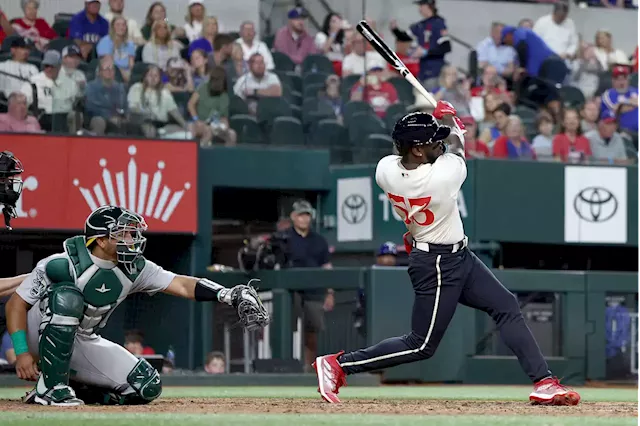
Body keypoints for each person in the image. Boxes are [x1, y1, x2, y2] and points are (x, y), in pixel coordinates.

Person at [312, 101, 581, 406]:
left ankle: (544, 381)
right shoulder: (441, 177)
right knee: (421, 344)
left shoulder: (385, 168)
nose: (438, 145)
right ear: (416, 150)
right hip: (437, 263)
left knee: (506, 305)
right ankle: (338, 365)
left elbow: (442, 149)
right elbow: (456, 148)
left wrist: (441, 126)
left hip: (456, 255)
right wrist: (453, 121)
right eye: (432, 142)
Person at [5, 205, 268, 406]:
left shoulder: (134, 268)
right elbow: (16, 305)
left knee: (146, 386)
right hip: (36, 333)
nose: (132, 239)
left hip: (81, 338)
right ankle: (49, 391)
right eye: (123, 233)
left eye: (132, 233)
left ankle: (72, 386)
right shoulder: (62, 263)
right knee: (67, 297)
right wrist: (22, 353)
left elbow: (182, 284)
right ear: (101, 240)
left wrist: (227, 294)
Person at [285, 200, 334, 371]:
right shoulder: (285, 238)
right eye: (300, 215)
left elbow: (327, 267)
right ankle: (287, 366)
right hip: (290, 292)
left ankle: (309, 368)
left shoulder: (319, 240)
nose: (304, 219)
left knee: (312, 332)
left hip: (314, 292)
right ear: (293, 217)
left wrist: (330, 293)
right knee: (287, 329)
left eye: (307, 215)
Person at [391, 0, 451, 88]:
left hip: (435, 71)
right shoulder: (420, 25)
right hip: (422, 71)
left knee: (432, 97)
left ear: (428, 6)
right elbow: (404, 37)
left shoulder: (439, 23)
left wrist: (426, 52)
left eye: (421, 5)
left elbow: (446, 47)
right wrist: (395, 29)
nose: (419, 9)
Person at [21, 50, 81, 133]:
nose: (49, 69)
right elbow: (22, 102)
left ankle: (75, 143)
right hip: (43, 116)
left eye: (52, 66)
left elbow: (76, 102)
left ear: (59, 67)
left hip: (64, 116)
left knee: (75, 116)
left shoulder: (69, 82)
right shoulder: (34, 81)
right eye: (46, 66)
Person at [127, 65, 188, 138]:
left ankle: (160, 133)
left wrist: (185, 125)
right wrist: (146, 114)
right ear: (145, 77)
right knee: (149, 130)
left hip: (161, 123)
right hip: (144, 121)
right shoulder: (137, 88)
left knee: (182, 131)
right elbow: (133, 108)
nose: (153, 78)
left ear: (159, 78)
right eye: (150, 75)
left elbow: (174, 111)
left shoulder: (164, 92)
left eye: (156, 76)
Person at [188, 66, 237, 146]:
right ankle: (201, 155)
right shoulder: (203, 88)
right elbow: (190, 104)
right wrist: (196, 120)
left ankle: (227, 157)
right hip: (199, 123)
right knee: (208, 131)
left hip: (215, 125)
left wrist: (225, 126)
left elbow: (224, 117)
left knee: (232, 134)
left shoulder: (224, 96)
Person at [84, 56, 128, 135]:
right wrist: (109, 117)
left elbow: (125, 106)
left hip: (117, 118)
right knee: (99, 122)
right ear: (100, 72)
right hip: (98, 117)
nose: (109, 71)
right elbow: (91, 107)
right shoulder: (91, 86)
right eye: (106, 69)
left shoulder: (120, 87)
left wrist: (125, 116)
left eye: (111, 69)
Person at [96, 16, 136, 82]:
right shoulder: (105, 41)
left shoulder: (130, 44)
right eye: (118, 25)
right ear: (112, 27)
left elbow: (131, 65)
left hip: (127, 73)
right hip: (110, 71)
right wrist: (124, 75)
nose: (121, 27)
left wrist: (132, 76)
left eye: (123, 25)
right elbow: (108, 63)